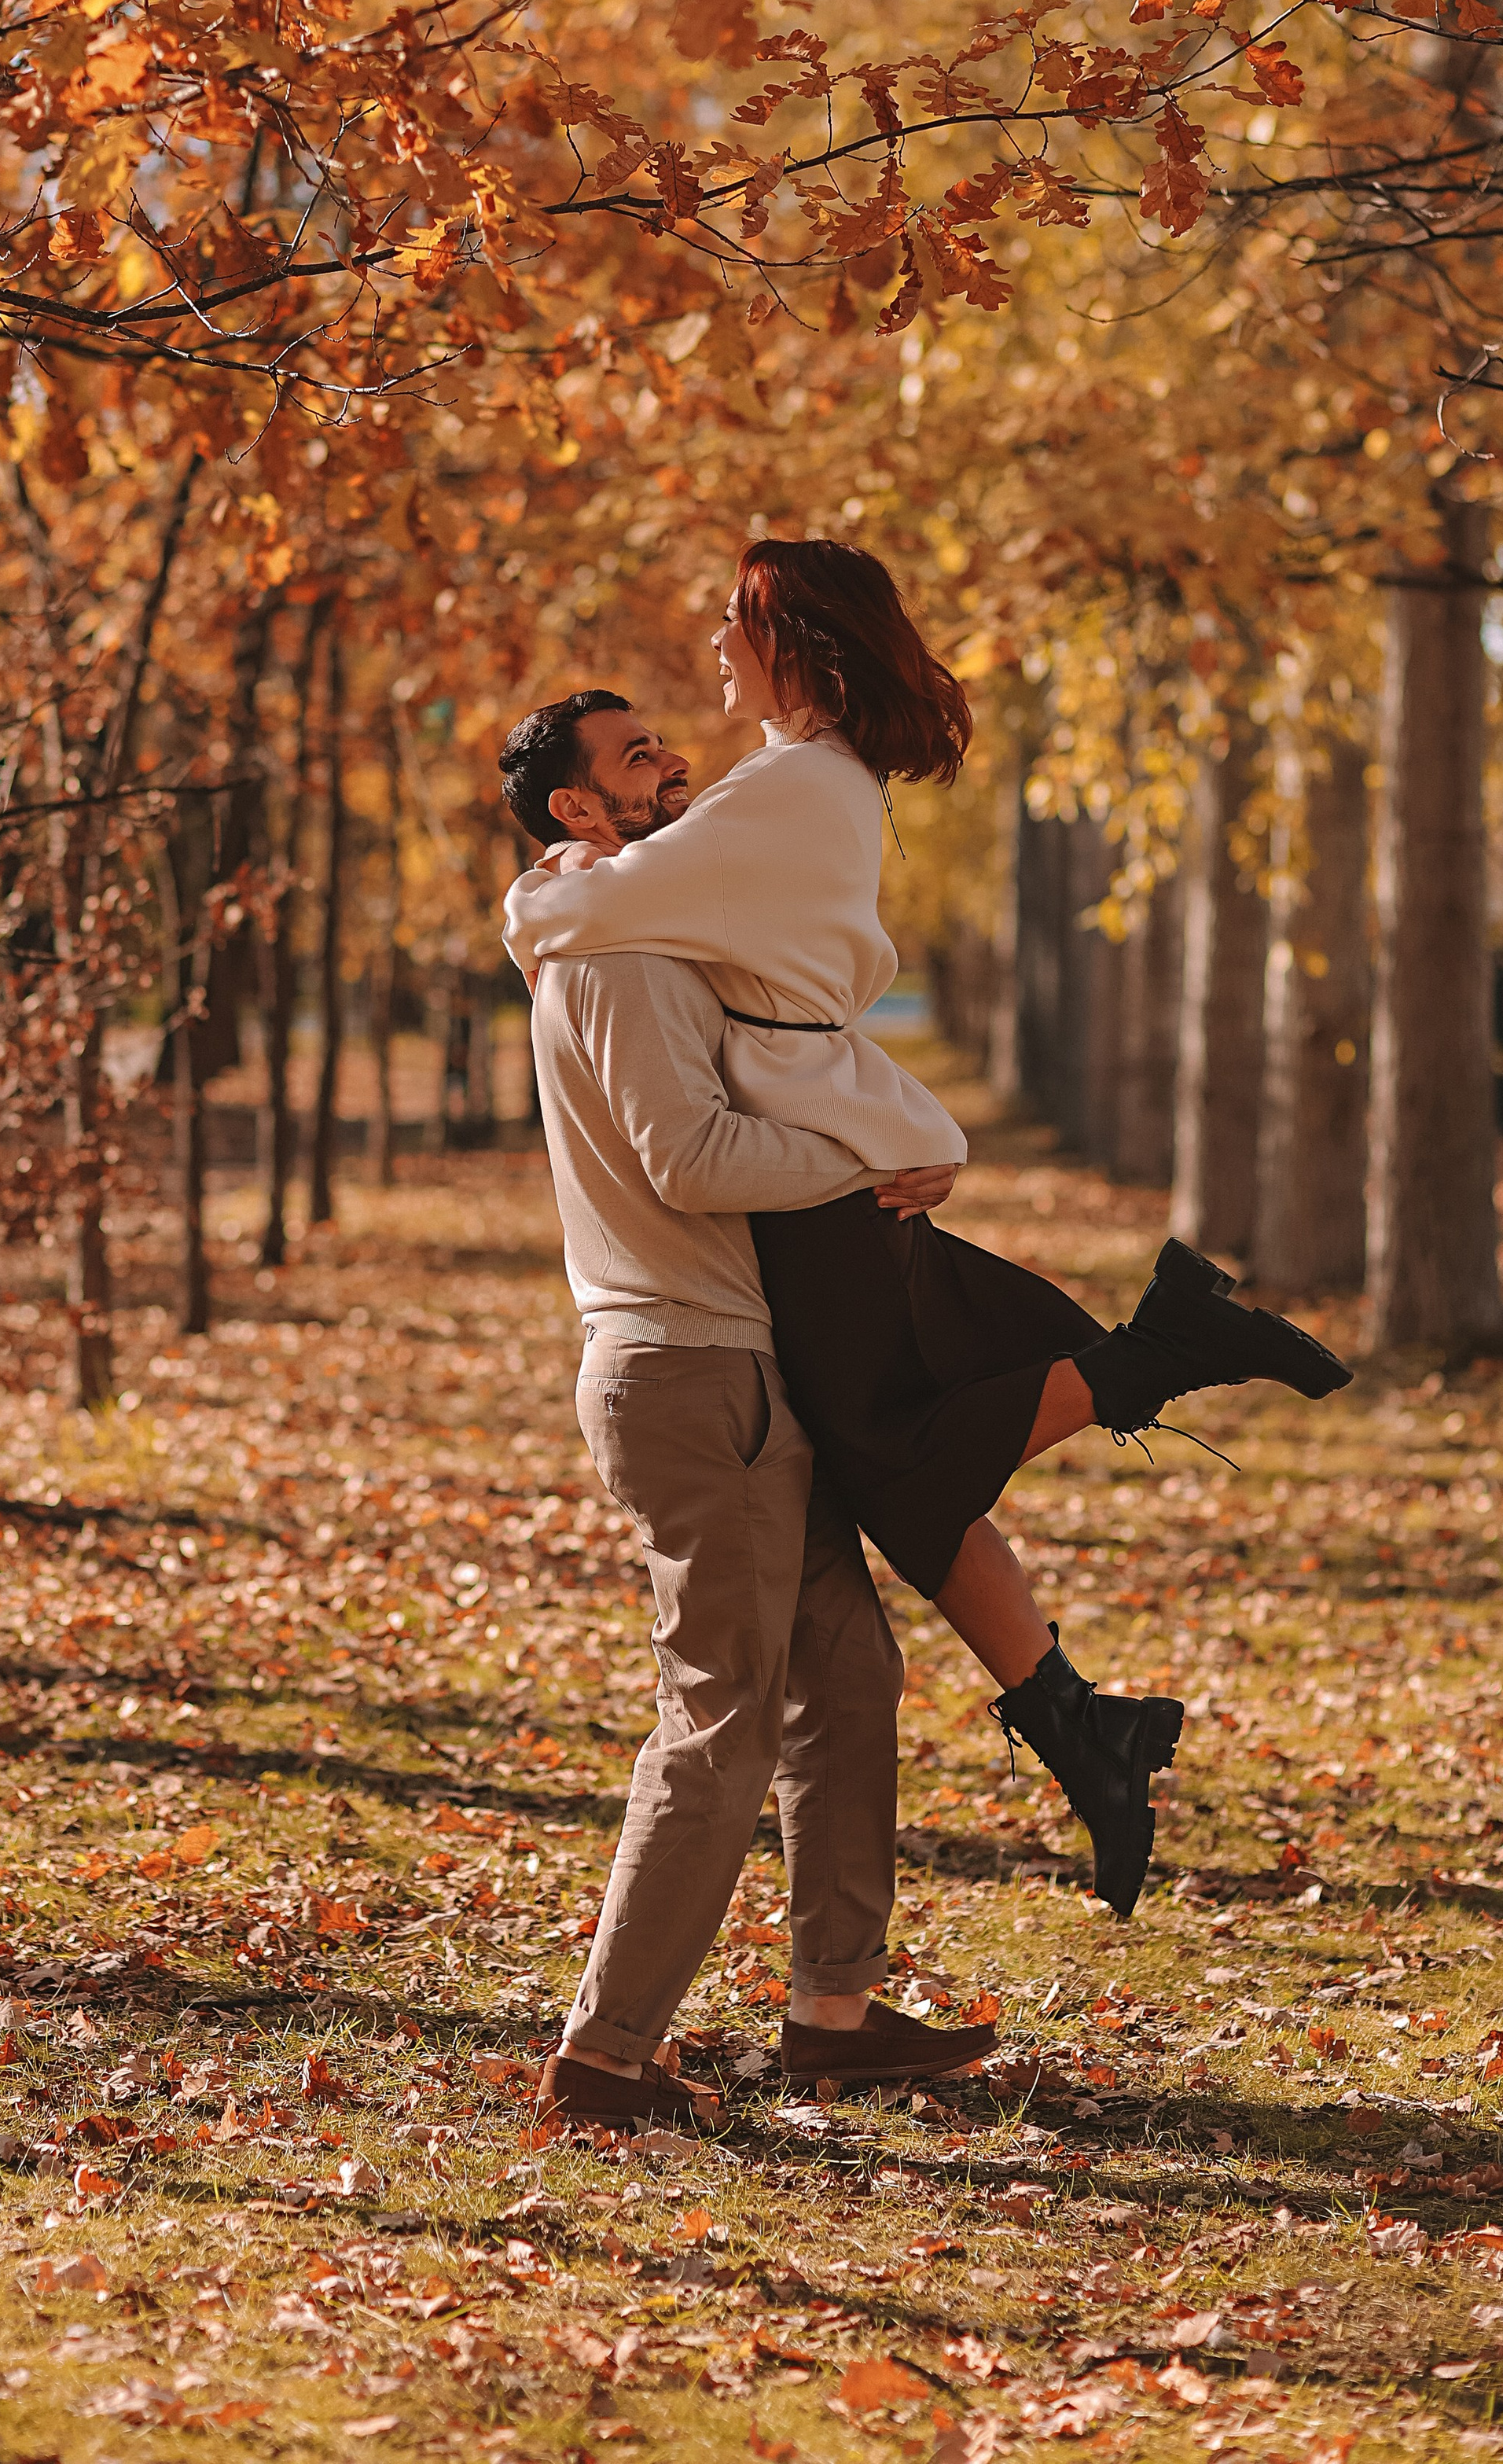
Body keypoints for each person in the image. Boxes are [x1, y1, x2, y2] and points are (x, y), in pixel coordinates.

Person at [502, 546, 1352, 1917]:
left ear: (803, 648)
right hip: (822, 1173)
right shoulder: (804, 788)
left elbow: (594, 910)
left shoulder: (785, 790)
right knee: (907, 1459)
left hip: (815, 1189)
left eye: (739, 623)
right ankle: (1081, 1722)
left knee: (903, 1457)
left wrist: (531, 895)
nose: (715, 644)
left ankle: (1159, 1359)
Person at [494, 691, 995, 2132]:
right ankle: (602, 2065)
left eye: (663, 739)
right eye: (636, 758)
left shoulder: (631, 924)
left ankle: (831, 2016)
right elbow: (694, 1156)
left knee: (847, 1679)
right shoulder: (624, 951)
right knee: (720, 1718)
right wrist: (870, 1159)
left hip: (735, 1366)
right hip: (689, 1370)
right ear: (578, 814)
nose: (674, 764)